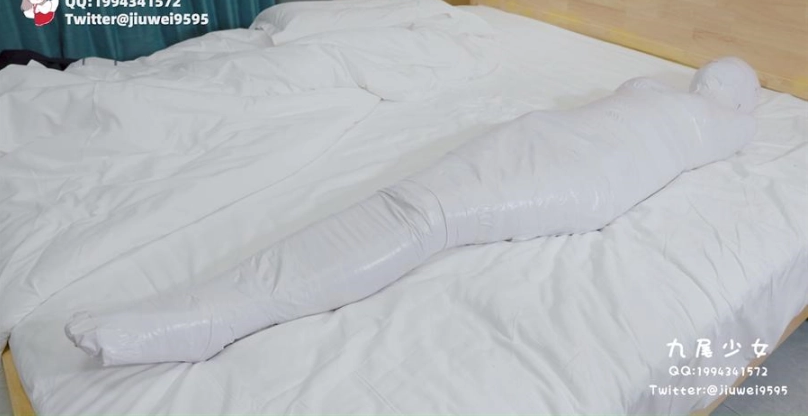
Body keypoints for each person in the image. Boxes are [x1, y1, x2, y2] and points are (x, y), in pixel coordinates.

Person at [65, 57, 759, 366]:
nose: (716, 73)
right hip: (544, 137)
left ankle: (204, 321)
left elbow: (727, 112)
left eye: (732, 77)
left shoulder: (726, 126)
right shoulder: (667, 94)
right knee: (408, 204)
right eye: (717, 67)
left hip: (583, 174)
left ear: (741, 98)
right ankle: (198, 309)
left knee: (424, 218)